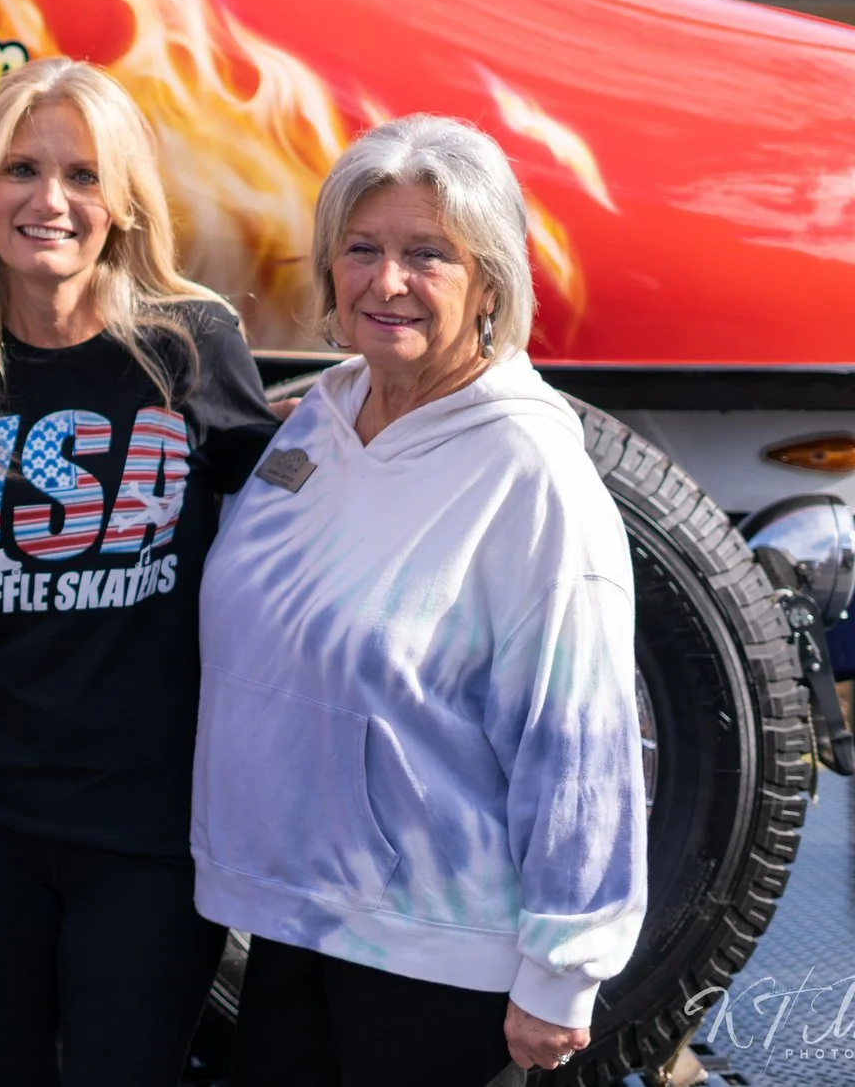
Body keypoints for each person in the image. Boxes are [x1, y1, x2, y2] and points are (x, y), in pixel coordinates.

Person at [193, 115, 647, 1086]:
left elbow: (578, 741)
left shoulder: (527, 472)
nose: (385, 280)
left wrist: (561, 971)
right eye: (361, 248)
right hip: (292, 918)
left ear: (489, 280)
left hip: (442, 952)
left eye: (426, 254)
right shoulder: (322, 413)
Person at [0, 58, 279, 1085]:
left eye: (82, 174)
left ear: (122, 204)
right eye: (22, 167)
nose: (49, 199)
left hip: (151, 828)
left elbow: (290, 536)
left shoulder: (188, 345)